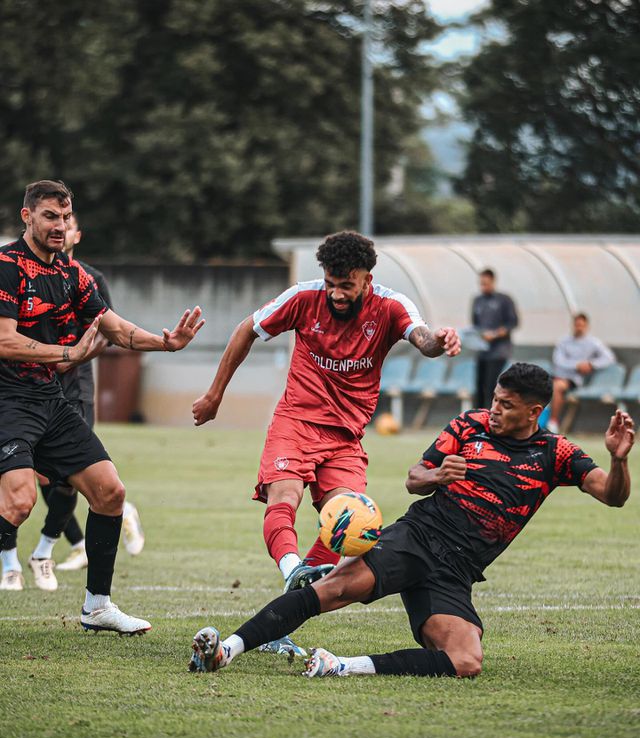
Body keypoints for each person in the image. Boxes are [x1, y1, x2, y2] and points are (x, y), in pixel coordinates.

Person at [187, 363, 634, 677]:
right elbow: (413, 479)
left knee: (465, 661)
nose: (495, 411)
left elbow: (612, 496)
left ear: (534, 411)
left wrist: (618, 461)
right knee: (332, 589)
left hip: (457, 571)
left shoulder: (556, 453)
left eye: (507, 406)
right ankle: (227, 650)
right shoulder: (468, 426)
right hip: (418, 537)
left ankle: (340, 666)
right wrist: (439, 474)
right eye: (495, 400)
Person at [192, 230, 461, 599]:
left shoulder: (390, 306)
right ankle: (293, 570)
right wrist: (214, 394)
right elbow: (246, 330)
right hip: (296, 421)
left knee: (348, 520)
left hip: (346, 436)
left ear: (368, 279)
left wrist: (440, 341)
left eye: (347, 285)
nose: (336, 293)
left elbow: (422, 338)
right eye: (331, 283)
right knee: (285, 497)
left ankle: (294, 601)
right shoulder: (304, 297)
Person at [0, 180, 204, 633]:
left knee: (110, 493)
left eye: (65, 217)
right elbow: (5, 341)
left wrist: (165, 342)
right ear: (27, 216)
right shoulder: (6, 266)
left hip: (49, 402)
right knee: (19, 501)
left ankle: (97, 607)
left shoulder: (73, 276)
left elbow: (113, 327)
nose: (59, 225)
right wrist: (68, 355)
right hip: (7, 401)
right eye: (50, 216)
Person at [547, 312, 616, 434]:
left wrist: (591, 364)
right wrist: (577, 365)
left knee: (557, 386)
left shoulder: (593, 343)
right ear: (573, 325)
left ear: (587, 326)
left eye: (582, 325)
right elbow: (558, 361)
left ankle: (552, 422)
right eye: (577, 325)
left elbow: (609, 358)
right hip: (556, 375)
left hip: (572, 380)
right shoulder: (563, 341)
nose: (579, 327)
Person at [471, 268, 519, 409]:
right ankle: (477, 420)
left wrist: (495, 334)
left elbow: (512, 323)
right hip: (482, 351)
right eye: (481, 284)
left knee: (492, 386)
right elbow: (475, 325)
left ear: (493, 281)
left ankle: (491, 420)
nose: (483, 287)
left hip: (499, 352)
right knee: (480, 386)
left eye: (485, 283)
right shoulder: (477, 301)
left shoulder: (504, 300)